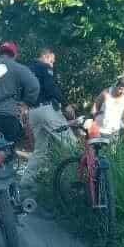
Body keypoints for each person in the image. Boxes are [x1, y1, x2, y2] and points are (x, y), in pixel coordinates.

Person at [22, 47, 76, 186]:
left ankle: (26, 183)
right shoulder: (44, 67)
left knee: (39, 151)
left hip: (32, 112)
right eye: (52, 61)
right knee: (71, 143)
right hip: (46, 109)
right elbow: (50, 87)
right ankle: (76, 179)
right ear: (46, 56)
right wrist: (65, 104)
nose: (52, 64)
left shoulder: (27, 69)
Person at [88, 76, 124, 140]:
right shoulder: (106, 93)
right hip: (98, 130)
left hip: (113, 132)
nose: (122, 92)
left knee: (111, 149)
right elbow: (96, 105)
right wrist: (93, 117)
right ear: (116, 85)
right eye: (120, 89)